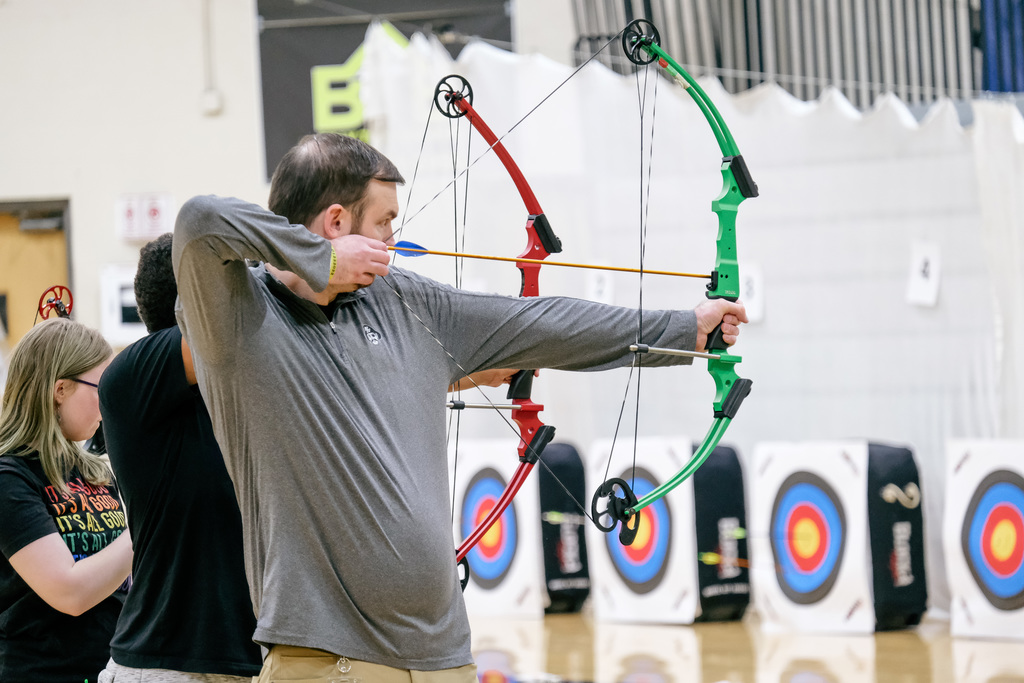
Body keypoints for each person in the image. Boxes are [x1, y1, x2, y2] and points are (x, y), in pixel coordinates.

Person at [171, 132, 747, 682]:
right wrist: (322, 260)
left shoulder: (403, 301)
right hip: (327, 662)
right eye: (384, 221)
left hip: (446, 658)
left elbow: (540, 325)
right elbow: (200, 221)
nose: (392, 237)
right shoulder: (237, 316)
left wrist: (686, 331)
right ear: (337, 223)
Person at [96, 233, 263, 682]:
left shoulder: (239, 389)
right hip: (166, 664)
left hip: (253, 659)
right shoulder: (131, 376)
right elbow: (219, 334)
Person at [0, 317, 132, 682]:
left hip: (110, 670)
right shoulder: (9, 478)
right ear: (60, 389)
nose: (108, 406)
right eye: (102, 389)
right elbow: (70, 593)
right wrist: (149, 525)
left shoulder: (95, 471)